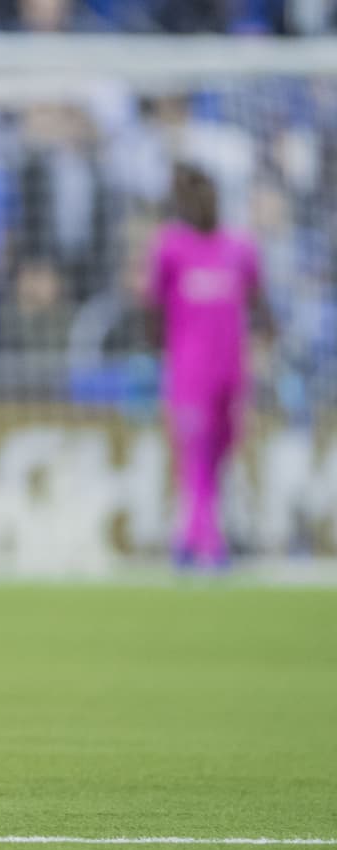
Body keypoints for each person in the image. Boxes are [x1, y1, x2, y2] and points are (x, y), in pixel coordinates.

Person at [146, 162, 273, 569]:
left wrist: (267, 342)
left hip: (233, 372)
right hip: (189, 371)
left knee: (221, 453)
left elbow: (260, 303)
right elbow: (152, 308)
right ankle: (209, 543)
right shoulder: (169, 247)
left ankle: (186, 537)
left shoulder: (240, 247)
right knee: (194, 454)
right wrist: (158, 357)